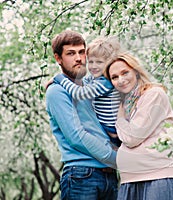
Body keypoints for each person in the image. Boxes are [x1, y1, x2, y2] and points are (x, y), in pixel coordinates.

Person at [45, 30, 118, 200]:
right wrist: (116, 159)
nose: (78, 58)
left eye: (81, 52)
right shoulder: (57, 91)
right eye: (71, 53)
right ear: (58, 58)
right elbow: (77, 136)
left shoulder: (91, 86)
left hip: (109, 175)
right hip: (82, 175)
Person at [104, 53, 173, 200]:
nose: (121, 80)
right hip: (129, 182)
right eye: (114, 77)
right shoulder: (127, 102)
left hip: (157, 178)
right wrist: (61, 80)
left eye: (125, 72)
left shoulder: (153, 94)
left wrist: (120, 117)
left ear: (135, 71)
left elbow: (133, 137)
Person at [53, 37, 122, 147]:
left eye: (99, 62)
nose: (93, 66)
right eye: (90, 62)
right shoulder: (95, 79)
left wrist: (60, 79)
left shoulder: (105, 82)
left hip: (113, 130)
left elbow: (79, 93)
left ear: (109, 64)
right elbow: (84, 82)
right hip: (106, 127)